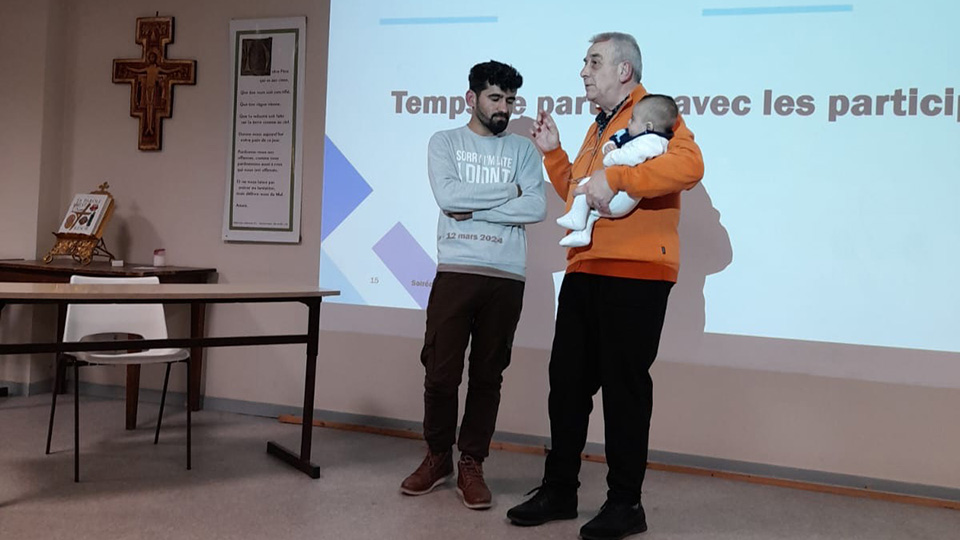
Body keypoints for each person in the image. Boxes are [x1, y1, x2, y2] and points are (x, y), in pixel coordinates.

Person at [506, 33, 704, 539]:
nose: (583, 72)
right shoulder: (599, 127)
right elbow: (582, 193)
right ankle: (560, 491)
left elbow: (689, 166)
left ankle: (625, 504)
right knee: (567, 385)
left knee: (623, 390)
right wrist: (554, 156)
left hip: (636, 273)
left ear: (624, 71)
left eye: (593, 62)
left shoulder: (654, 114)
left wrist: (618, 181)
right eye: (584, 62)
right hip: (585, 269)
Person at [400, 60, 547, 510]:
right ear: (472, 98)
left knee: (487, 376)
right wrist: (510, 192)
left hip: (506, 276)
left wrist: (475, 207)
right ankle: (437, 456)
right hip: (457, 270)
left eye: (510, 100)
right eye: (495, 98)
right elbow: (448, 198)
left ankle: (471, 462)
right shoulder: (444, 142)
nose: (504, 107)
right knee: (440, 372)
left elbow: (536, 207)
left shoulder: (523, 151)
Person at [556, 94, 679, 247]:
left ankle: (577, 217)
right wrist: (610, 145)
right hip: (618, 196)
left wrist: (611, 156)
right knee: (591, 207)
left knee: (587, 184)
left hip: (623, 196)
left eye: (633, 119)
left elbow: (630, 157)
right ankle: (582, 233)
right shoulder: (638, 136)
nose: (628, 122)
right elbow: (619, 139)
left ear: (648, 127)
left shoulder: (651, 142)